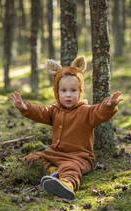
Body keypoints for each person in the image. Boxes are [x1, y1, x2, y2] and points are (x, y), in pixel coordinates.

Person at [11, 56, 123, 200]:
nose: (68, 95)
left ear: (80, 91)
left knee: (70, 169)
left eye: (73, 91)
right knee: (34, 157)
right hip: (55, 154)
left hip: (79, 157)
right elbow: (41, 112)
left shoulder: (86, 111)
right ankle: (54, 172)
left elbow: (99, 112)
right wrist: (25, 107)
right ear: (57, 93)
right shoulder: (54, 110)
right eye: (63, 91)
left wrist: (109, 106)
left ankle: (67, 185)